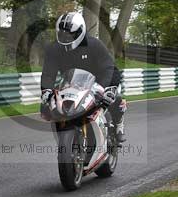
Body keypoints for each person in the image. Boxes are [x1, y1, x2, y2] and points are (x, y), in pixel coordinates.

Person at [40, 11, 126, 143]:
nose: (66, 38)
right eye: (62, 34)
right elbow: (48, 73)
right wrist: (46, 90)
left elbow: (108, 68)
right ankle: (66, 138)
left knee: (114, 98)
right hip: (72, 84)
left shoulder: (94, 45)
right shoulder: (54, 49)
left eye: (70, 34)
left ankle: (119, 123)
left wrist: (106, 88)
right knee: (47, 107)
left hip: (101, 80)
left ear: (80, 32)